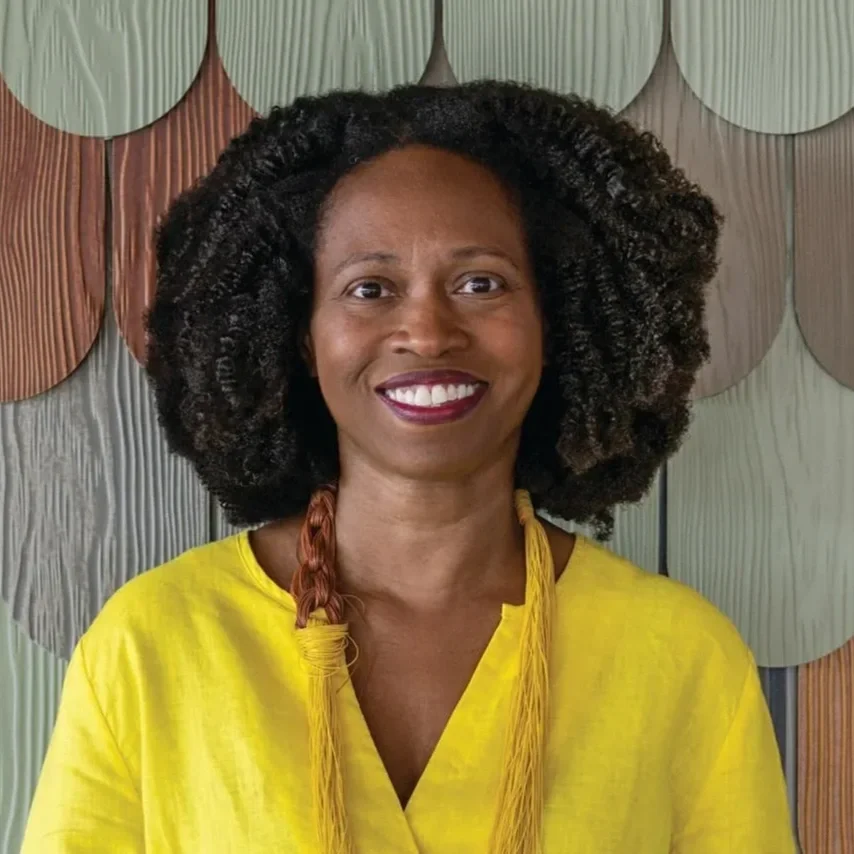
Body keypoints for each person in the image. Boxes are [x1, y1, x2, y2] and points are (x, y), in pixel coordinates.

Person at [21, 81, 797, 853]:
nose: (426, 331)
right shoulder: (151, 646)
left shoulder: (683, 660)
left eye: (480, 283)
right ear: (300, 335)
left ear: (554, 322)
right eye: (370, 289)